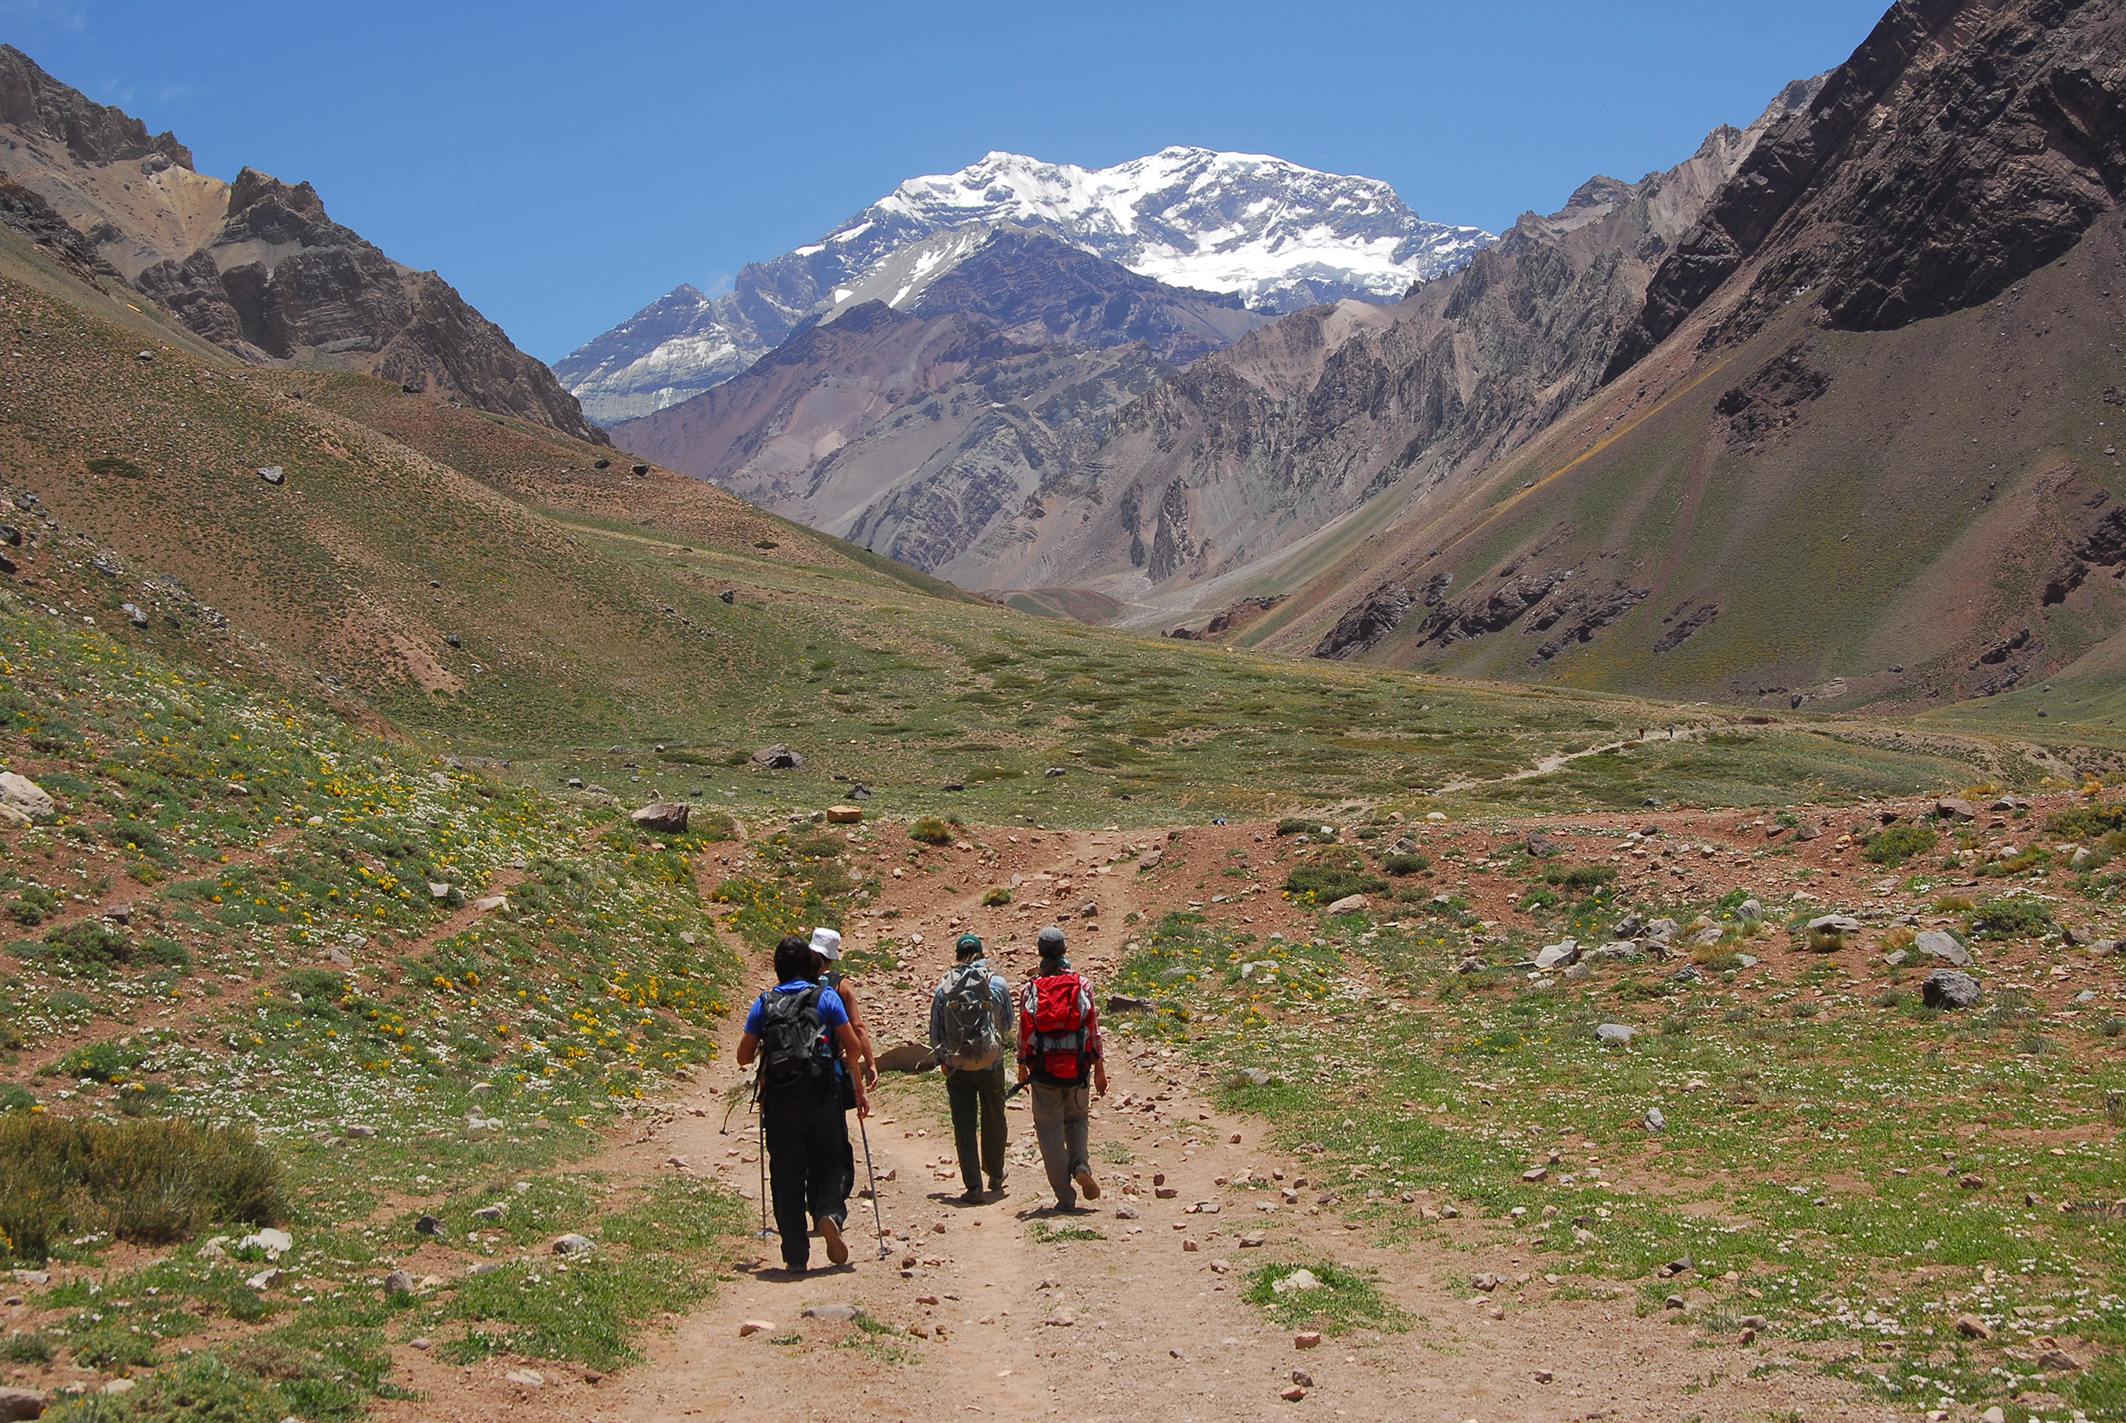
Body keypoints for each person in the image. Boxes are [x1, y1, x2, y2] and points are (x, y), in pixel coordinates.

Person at [736, 933, 870, 1272]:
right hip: (824, 1096)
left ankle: (795, 1257)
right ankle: (827, 1212)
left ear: (778, 969)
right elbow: (853, 1047)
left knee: (786, 1175)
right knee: (831, 1160)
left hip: (780, 1104)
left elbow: (743, 1056)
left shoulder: (764, 1003)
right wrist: (850, 1071)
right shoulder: (825, 997)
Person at [1016, 925, 1107, 1211]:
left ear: (1040, 952)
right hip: (1078, 1069)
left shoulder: (1031, 988)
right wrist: (1100, 1067)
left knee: (1048, 1130)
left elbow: (1023, 1031)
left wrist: (1021, 1066)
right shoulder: (1082, 985)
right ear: (1065, 950)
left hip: (1043, 1072)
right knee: (1077, 1120)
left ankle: (1065, 1196)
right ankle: (1081, 1164)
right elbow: (1093, 1029)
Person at [930, 932, 1014, 1202]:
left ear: (957, 956)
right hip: (992, 1062)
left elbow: (937, 1030)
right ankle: (995, 1172)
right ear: (982, 953)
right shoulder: (996, 983)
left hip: (957, 1065)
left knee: (964, 1124)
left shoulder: (944, 986)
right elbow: (1008, 1022)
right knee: (994, 1117)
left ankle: (973, 1187)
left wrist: (943, 1061)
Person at [810, 926, 877, 1212]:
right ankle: (833, 1199)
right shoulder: (841, 986)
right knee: (835, 1132)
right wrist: (869, 1064)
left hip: (795, 1075)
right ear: (832, 957)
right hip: (832, 1069)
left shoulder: (794, 980)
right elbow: (857, 1029)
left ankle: (810, 1195)